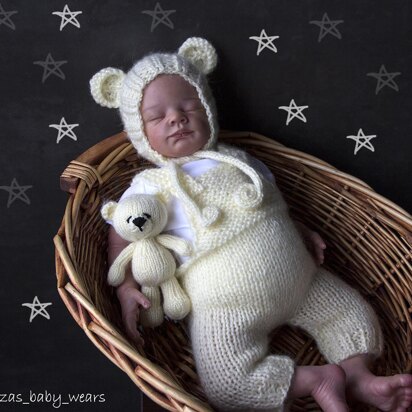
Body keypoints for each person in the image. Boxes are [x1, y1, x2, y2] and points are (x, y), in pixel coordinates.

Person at [90, 37, 412, 411]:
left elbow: (273, 201)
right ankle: (316, 380)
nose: (176, 117)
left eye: (188, 105)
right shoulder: (149, 185)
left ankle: (359, 378)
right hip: (227, 304)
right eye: (157, 116)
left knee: (353, 316)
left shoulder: (238, 159)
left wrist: (302, 232)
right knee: (227, 385)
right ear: (140, 134)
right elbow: (124, 234)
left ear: (208, 109)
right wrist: (127, 286)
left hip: (298, 275)